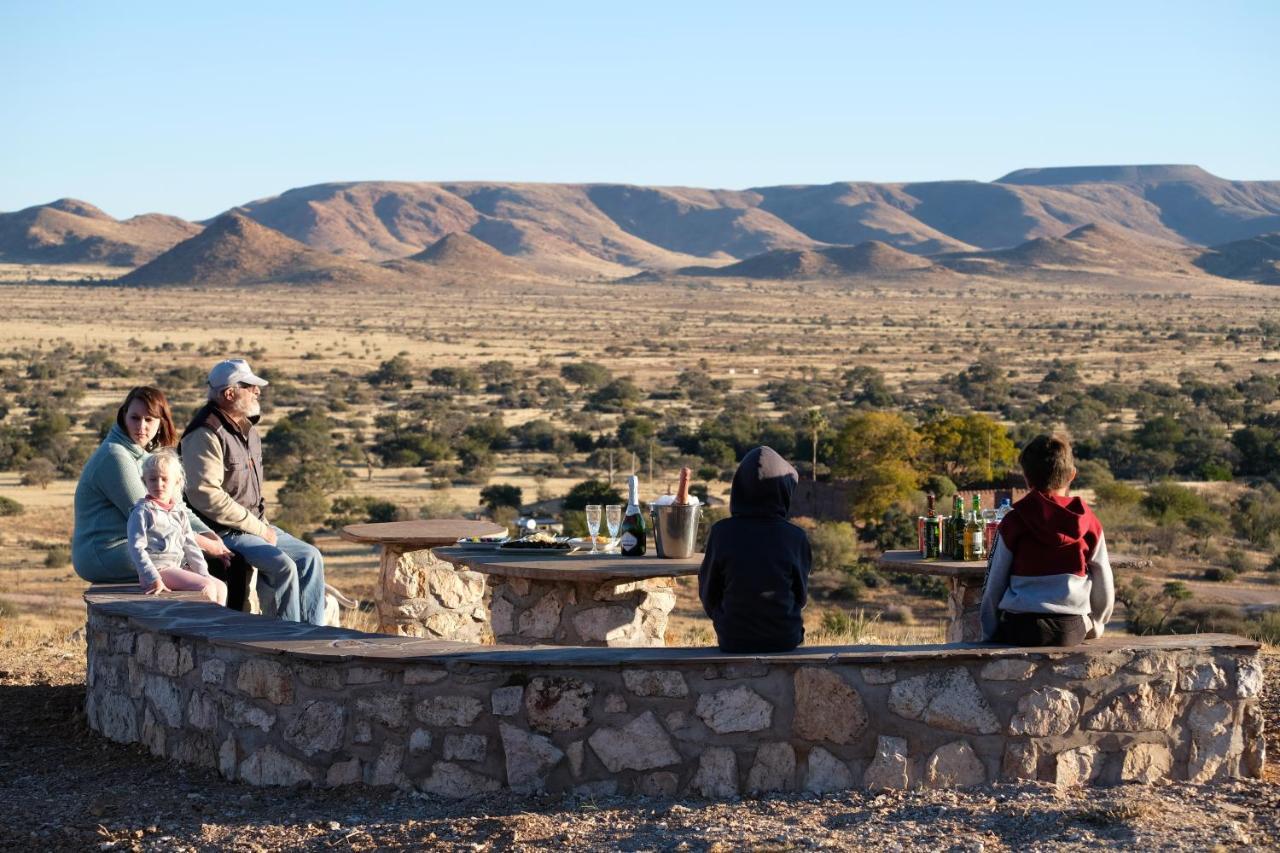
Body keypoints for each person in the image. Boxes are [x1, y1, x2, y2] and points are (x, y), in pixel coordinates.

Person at [180, 358, 327, 625]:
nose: (257, 391)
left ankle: (314, 635)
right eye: (250, 386)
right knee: (282, 566)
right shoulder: (205, 434)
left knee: (310, 557)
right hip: (225, 531)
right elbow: (205, 495)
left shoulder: (248, 430)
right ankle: (284, 639)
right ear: (229, 393)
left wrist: (262, 527)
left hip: (255, 525)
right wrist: (259, 529)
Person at [73, 386, 233, 584]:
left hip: (141, 544)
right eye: (135, 418)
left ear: (161, 421)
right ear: (123, 416)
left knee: (202, 559)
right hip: (106, 551)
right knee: (187, 559)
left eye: (149, 419)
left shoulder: (151, 455)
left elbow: (177, 507)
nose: (141, 426)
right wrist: (206, 545)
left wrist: (211, 537)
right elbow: (154, 518)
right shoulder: (115, 456)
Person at [981, 434, 1114, 647]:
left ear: (1026, 477)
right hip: (1070, 628)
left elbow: (994, 581)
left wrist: (989, 632)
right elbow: (1104, 580)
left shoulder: (1013, 520)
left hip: (1020, 626)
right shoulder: (1089, 521)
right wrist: (1097, 624)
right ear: (1072, 475)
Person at [698, 446, 811, 653]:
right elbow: (800, 596)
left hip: (733, 640)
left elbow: (709, 594)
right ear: (783, 490)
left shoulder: (722, 532)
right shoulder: (795, 536)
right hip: (785, 638)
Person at [126, 449, 228, 605]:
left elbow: (190, 546)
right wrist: (153, 578)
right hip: (156, 571)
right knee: (206, 587)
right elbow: (136, 548)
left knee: (220, 586)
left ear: (177, 481)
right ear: (144, 481)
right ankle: (201, 627)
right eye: (153, 479)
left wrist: (203, 572)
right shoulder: (142, 511)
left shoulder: (178, 512)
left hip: (175, 568)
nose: (159, 484)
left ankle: (217, 625)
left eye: (164, 479)